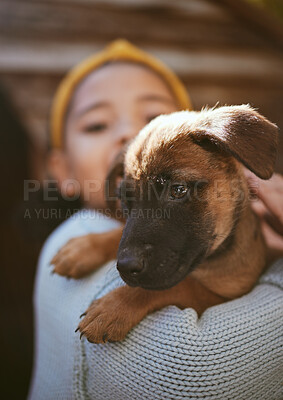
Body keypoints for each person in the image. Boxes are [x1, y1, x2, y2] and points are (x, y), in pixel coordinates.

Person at [28, 40, 283, 400]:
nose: (129, 135)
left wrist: (140, 298)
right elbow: (196, 367)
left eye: (151, 117)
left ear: (231, 156)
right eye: (97, 124)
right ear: (61, 169)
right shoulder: (74, 234)